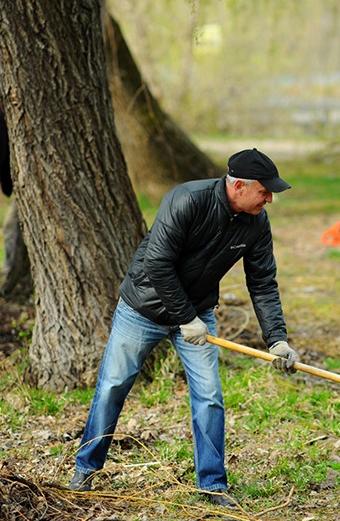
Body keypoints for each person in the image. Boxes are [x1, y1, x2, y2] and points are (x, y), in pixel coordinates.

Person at [69, 148, 299, 509]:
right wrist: (184, 317)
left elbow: (263, 282)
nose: (269, 198)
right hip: (142, 308)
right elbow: (158, 263)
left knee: (209, 397)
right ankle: (86, 468)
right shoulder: (187, 199)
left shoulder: (256, 222)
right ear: (239, 185)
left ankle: (212, 486)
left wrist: (277, 339)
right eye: (264, 191)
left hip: (198, 312)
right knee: (113, 385)